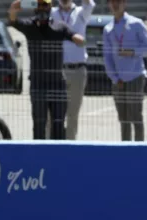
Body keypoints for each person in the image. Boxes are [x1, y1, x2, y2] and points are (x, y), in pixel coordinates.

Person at [6, 0, 85, 140]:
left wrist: (80, 39)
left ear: (50, 7)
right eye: (39, 5)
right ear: (35, 7)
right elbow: (13, 19)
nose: (42, 8)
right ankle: (38, 157)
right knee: (39, 123)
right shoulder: (30, 26)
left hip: (57, 84)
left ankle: (59, 156)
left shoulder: (59, 26)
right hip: (38, 84)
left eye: (45, 5)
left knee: (58, 124)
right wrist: (16, 7)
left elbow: (76, 37)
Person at [103, 0, 147, 142]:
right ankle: (125, 148)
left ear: (124, 4)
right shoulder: (108, 28)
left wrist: (132, 52)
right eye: (112, 2)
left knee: (136, 116)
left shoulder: (136, 24)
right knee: (123, 119)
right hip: (118, 80)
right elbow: (107, 57)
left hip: (135, 77)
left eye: (118, 2)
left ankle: (139, 148)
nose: (115, 5)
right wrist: (114, 78)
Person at [49, 0, 94, 140]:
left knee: (73, 114)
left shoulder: (81, 12)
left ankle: (70, 145)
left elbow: (90, 4)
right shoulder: (52, 13)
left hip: (77, 70)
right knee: (52, 114)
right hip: (57, 70)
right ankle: (49, 145)